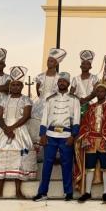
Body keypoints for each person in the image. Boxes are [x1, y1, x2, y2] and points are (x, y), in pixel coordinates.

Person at [0, 66, 36, 199]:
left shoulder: (26, 100)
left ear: (22, 86)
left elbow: (26, 116)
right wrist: (6, 129)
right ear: (10, 86)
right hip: (3, 131)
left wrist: (11, 128)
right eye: (13, 84)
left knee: (19, 159)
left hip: (20, 130)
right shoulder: (3, 99)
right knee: (0, 158)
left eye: (18, 85)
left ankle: (18, 191)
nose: (15, 87)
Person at [32, 72, 80, 202]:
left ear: (68, 84)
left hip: (66, 135)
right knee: (47, 164)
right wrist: (42, 134)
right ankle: (42, 193)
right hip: (50, 135)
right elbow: (44, 118)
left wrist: (73, 136)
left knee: (67, 164)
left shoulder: (74, 100)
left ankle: (68, 192)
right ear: (57, 83)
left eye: (64, 81)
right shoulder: (50, 99)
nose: (62, 83)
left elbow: (76, 119)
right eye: (60, 81)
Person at [74, 83, 106, 203]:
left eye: (102, 91)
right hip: (90, 141)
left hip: (104, 141)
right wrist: (85, 138)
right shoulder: (90, 108)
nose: (100, 93)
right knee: (89, 167)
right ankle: (87, 192)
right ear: (95, 93)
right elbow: (84, 124)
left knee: (105, 167)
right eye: (98, 91)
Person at [29, 48, 67, 144]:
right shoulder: (40, 76)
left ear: (56, 64)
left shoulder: (59, 77)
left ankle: (53, 144)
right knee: (36, 123)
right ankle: (38, 149)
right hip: (40, 104)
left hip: (54, 105)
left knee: (54, 125)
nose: (49, 62)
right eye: (48, 60)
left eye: (51, 61)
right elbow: (38, 92)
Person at [70, 50, 99, 115]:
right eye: (83, 64)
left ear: (90, 67)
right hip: (78, 106)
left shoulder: (95, 78)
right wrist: (80, 100)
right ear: (80, 66)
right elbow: (71, 93)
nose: (85, 66)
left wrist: (86, 100)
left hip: (92, 105)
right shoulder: (75, 79)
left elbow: (96, 91)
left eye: (87, 64)